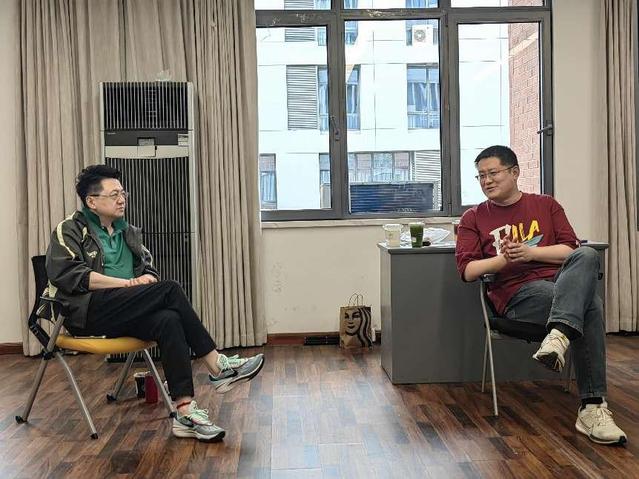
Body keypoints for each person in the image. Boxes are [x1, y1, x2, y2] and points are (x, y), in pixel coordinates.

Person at [41, 165, 264, 443]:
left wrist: (146, 279)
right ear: (92, 201)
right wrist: (126, 284)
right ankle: (217, 365)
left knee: (169, 319)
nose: (122, 199)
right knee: (171, 290)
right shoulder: (69, 229)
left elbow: (149, 270)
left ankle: (185, 412)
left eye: (123, 193)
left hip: (126, 309)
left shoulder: (128, 232)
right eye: (113, 194)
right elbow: (69, 275)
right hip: (88, 311)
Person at [455, 145, 627, 446]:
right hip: (516, 295)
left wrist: (531, 253)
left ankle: (558, 334)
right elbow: (468, 271)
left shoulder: (546, 205)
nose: (487, 181)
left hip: (559, 285)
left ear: (515, 172)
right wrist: (505, 260)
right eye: (481, 176)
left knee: (587, 255)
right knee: (591, 306)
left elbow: (570, 250)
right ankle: (592, 406)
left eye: (493, 173)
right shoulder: (473, 217)